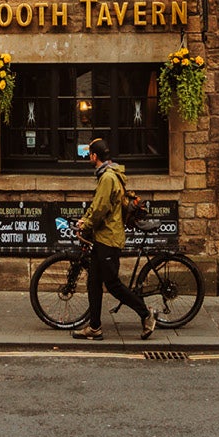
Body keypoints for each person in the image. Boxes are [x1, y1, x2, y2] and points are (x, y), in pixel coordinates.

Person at [70, 136, 158, 341]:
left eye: (89, 154)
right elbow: (98, 204)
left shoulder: (108, 177)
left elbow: (101, 207)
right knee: (93, 282)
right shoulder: (107, 175)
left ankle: (146, 314)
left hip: (108, 238)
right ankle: (95, 327)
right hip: (103, 237)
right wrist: (86, 219)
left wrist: (87, 223)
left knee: (113, 285)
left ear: (94, 156)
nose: (88, 158)